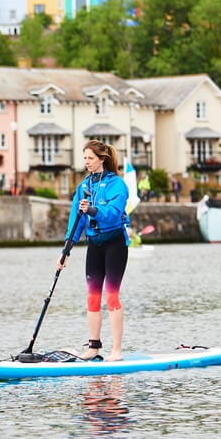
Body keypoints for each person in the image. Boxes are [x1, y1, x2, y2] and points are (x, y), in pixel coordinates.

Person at [58, 140, 130, 362]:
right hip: (95, 245)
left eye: (90, 158)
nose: (87, 162)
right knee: (92, 297)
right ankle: (94, 347)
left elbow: (113, 213)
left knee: (111, 296)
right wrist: (65, 251)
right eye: (85, 158)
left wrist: (92, 209)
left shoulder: (117, 184)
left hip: (115, 244)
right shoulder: (83, 188)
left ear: (102, 159)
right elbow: (75, 222)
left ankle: (116, 350)